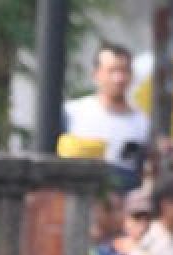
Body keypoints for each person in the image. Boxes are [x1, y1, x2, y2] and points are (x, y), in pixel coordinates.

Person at [64, 42, 150, 188]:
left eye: (125, 71)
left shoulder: (143, 123)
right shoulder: (72, 113)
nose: (119, 78)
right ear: (96, 74)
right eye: (112, 71)